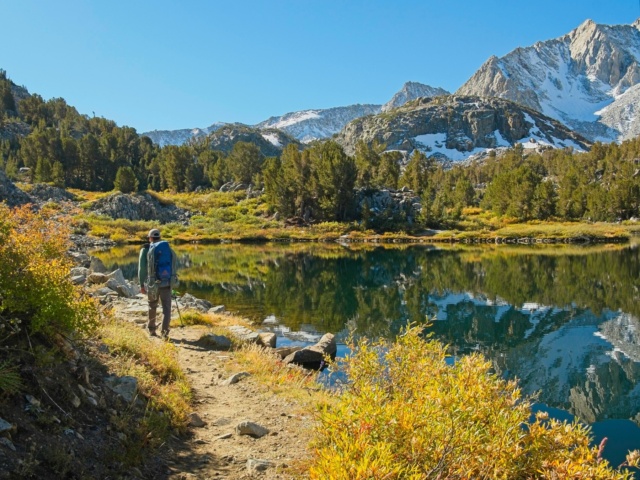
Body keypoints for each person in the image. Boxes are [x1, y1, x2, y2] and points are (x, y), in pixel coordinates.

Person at [138, 228, 178, 339]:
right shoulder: (167, 248)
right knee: (166, 307)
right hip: (167, 282)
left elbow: (141, 269)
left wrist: (142, 285)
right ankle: (165, 332)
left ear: (150, 238)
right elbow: (174, 263)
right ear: (159, 237)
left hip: (152, 283)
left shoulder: (145, 250)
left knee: (152, 305)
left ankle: (152, 330)